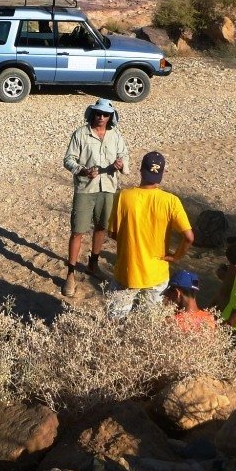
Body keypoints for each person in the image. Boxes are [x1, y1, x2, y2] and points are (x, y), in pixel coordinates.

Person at [107, 151, 194, 317]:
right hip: (156, 274)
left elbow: (113, 233)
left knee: (115, 321)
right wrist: (176, 256)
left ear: (140, 170)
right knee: (149, 321)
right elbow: (189, 237)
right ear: (161, 174)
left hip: (127, 271)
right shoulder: (171, 201)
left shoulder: (124, 197)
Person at [62, 98, 129, 296]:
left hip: (108, 187)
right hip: (85, 189)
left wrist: (120, 164)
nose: (101, 117)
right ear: (92, 113)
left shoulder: (115, 135)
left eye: (105, 114)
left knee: (101, 227)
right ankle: (70, 274)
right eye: (98, 113)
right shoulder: (80, 134)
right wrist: (82, 171)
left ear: (111, 117)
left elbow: (124, 155)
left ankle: (93, 264)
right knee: (77, 231)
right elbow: (68, 160)